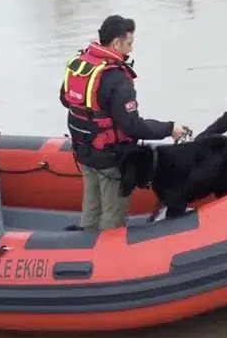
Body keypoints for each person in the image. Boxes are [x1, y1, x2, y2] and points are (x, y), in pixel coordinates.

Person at [60, 15, 189, 230]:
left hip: (84, 149)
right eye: (129, 43)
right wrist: (169, 128)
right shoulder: (117, 77)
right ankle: (107, 249)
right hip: (109, 157)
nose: (131, 49)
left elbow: (65, 100)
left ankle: (86, 239)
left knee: (91, 206)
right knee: (113, 216)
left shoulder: (81, 64)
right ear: (116, 43)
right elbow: (131, 125)